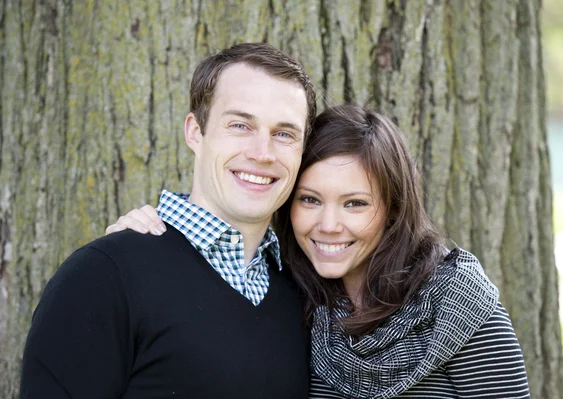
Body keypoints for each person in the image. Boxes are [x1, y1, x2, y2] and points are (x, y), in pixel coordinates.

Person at [108, 105, 531, 398]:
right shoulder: (289, 295)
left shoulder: (457, 301)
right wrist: (136, 243)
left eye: (355, 203)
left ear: (393, 209)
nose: (328, 225)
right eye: (310, 200)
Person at [20, 42, 318, 398]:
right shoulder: (103, 276)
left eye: (284, 134)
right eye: (240, 125)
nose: (262, 153)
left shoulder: (303, 294)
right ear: (195, 132)